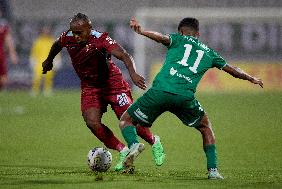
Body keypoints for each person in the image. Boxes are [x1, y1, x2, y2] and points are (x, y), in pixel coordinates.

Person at [118, 17, 264, 179]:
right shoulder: (209, 52)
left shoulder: (178, 38)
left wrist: (142, 31)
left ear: (180, 31)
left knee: (126, 120)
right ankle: (213, 171)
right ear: (198, 34)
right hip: (184, 97)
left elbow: (161, 37)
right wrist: (251, 78)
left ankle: (133, 145)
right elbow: (233, 69)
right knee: (205, 127)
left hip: (159, 91)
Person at [42, 13, 165, 171]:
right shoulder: (68, 37)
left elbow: (124, 56)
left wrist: (133, 73)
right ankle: (123, 151)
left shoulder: (101, 39)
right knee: (91, 122)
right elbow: (57, 44)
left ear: (90, 29)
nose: (76, 36)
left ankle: (154, 141)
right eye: (74, 32)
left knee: (129, 118)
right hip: (90, 87)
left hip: (113, 84)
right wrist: (49, 59)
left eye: (80, 33)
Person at [30, 25, 61, 96]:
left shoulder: (52, 41)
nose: (46, 32)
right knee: (37, 77)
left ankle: (47, 90)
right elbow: (34, 52)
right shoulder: (38, 41)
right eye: (44, 31)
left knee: (48, 77)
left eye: (47, 31)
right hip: (39, 62)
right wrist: (32, 60)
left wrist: (57, 60)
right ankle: (35, 90)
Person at [0, 11, 18, 90]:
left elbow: (9, 40)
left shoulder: (3, 25)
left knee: (4, 78)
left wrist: (13, 53)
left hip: (1, 54)